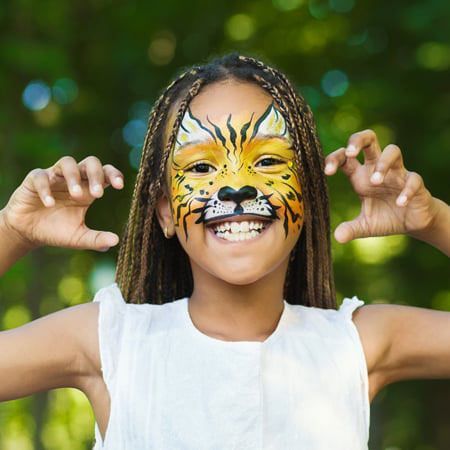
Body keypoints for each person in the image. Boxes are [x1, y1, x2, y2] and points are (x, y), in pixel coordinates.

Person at [0, 53, 449, 450]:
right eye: (200, 167)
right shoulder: (111, 344)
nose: (236, 186)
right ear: (165, 213)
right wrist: (13, 230)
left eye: (269, 161)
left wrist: (432, 221)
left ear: (308, 197)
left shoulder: (357, 346)